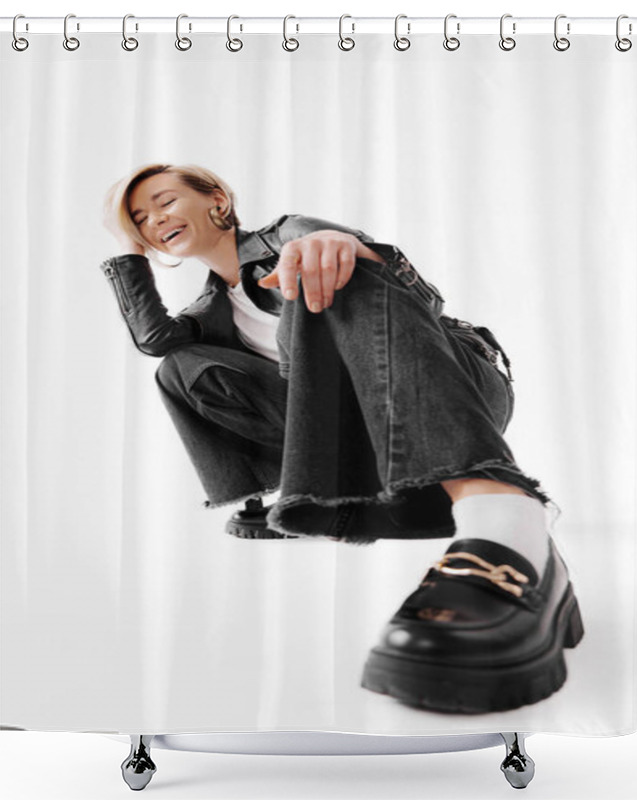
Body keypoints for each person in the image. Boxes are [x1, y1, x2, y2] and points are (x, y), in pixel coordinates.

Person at [101, 163, 583, 714]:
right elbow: (154, 339)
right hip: (362, 421)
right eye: (141, 218)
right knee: (180, 368)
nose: (155, 219)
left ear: (216, 200)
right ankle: (318, 487)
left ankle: (506, 523)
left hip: (454, 380)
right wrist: (126, 250)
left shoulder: (289, 233)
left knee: (327, 269)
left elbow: (418, 304)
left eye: (164, 201)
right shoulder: (208, 314)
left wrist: (337, 244)